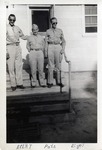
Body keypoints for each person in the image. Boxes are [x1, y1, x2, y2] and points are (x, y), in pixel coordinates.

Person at [6, 14, 27, 91]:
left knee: (18, 66)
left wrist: (31, 37)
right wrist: (5, 51)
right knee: (11, 67)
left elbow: (23, 36)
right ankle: (13, 84)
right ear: (8, 19)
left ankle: (19, 83)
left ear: (15, 20)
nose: (12, 21)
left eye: (13, 20)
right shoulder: (5, 27)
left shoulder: (17, 28)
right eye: (11, 20)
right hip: (10, 47)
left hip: (18, 47)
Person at [45, 17, 66, 88]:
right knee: (50, 65)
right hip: (50, 47)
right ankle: (50, 82)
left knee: (58, 65)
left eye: (56, 23)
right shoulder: (48, 31)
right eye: (53, 23)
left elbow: (63, 41)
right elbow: (45, 42)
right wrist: (46, 51)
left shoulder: (60, 31)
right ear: (51, 23)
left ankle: (59, 81)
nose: (55, 24)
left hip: (58, 47)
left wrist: (63, 49)